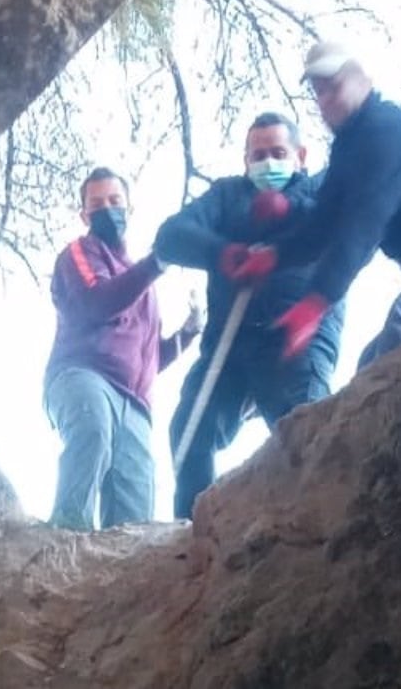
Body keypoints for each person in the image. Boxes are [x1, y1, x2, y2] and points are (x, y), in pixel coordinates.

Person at [245, 40, 401, 367]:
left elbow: (365, 222)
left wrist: (316, 301)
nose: (325, 101)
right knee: (370, 366)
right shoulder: (347, 150)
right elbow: (324, 226)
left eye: (333, 87)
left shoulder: (385, 132)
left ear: (363, 81)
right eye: (318, 92)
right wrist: (272, 257)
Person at [154, 112, 345, 518]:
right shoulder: (226, 196)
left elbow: (337, 219)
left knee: (309, 430)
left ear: (300, 155)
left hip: (296, 340)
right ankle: (191, 534)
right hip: (230, 343)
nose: (267, 163)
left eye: (278, 153)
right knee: (190, 427)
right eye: (258, 155)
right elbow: (170, 237)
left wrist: (282, 212)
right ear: (245, 160)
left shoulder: (322, 188)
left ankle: (320, 523)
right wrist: (221, 253)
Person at [43, 167, 200, 529]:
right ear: (83, 214)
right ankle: (64, 536)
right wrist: (156, 263)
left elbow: (148, 358)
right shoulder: (80, 252)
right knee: (92, 431)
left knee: (136, 498)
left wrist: (188, 333)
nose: (106, 209)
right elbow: (96, 302)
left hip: (136, 403)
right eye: (96, 203)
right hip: (82, 376)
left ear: (129, 208)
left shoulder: (142, 285)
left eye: (115, 201)